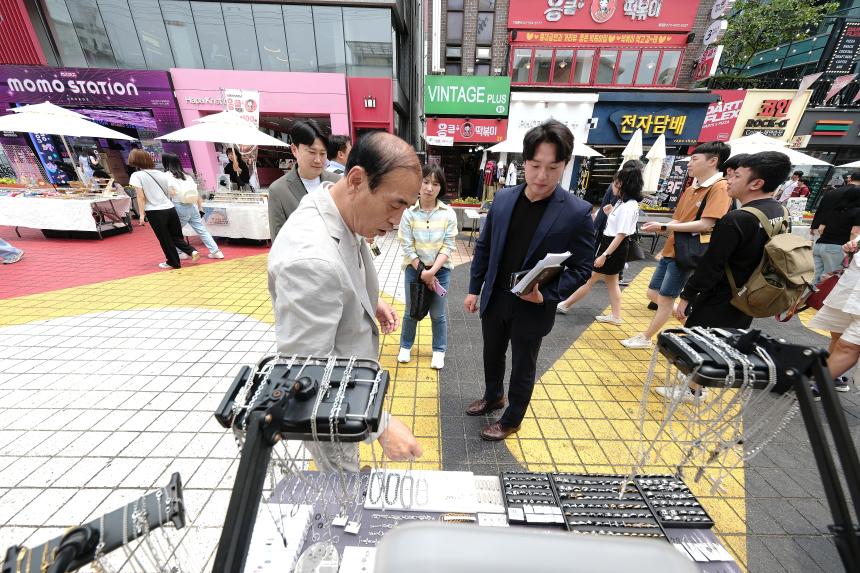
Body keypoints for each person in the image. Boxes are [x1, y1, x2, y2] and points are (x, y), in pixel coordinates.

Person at [268, 131, 423, 471]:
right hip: (329, 411)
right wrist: (381, 424)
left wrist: (365, 301)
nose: (397, 221)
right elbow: (307, 374)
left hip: (349, 385)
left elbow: (342, 275)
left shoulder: (336, 204)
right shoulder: (312, 261)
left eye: (406, 207)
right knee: (342, 484)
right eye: (395, 204)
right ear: (356, 180)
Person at [463, 120, 595, 442]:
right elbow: (485, 247)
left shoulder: (577, 212)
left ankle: (512, 419)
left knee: (524, 365)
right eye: (535, 166)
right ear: (525, 162)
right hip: (496, 296)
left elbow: (582, 268)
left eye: (553, 167)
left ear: (565, 165)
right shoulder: (503, 199)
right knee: (492, 353)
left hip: (533, 305)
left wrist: (548, 295)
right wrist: (474, 289)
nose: (542, 176)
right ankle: (493, 396)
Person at [621, 141, 732, 350]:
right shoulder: (692, 188)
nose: (689, 163)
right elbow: (677, 220)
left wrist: (664, 226)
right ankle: (690, 322)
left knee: (664, 299)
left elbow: (706, 224)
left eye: (695, 159)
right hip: (673, 250)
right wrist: (661, 230)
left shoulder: (720, 187)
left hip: (687, 253)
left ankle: (646, 337)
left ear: (713, 161)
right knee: (653, 293)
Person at [675, 151, 792, 330]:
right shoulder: (781, 212)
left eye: (736, 176)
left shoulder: (737, 219)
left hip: (720, 300)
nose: (729, 180)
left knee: (702, 345)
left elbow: (711, 265)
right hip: (752, 296)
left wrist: (687, 296)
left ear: (756, 183)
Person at [556, 161, 644, 323]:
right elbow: (619, 228)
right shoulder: (624, 203)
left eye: (615, 182)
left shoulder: (627, 206)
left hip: (613, 247)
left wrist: (604, 255)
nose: (612, 186)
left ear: (622, 185)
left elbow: (620, 235)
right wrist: (610, 214)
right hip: (612, 245)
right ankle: (615, 316)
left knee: (590, 278)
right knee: (611, 282)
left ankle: (565, 304)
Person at [397, 165, 458, 370]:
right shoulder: (409, 213)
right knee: (411, 310)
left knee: (438, 314)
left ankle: (439, 350)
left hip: (441, 270)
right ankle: (405, 346)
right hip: (414, 269)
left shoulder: (448, 213)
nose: (429, 188)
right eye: (425, 182)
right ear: (418, 183)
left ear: (441, 188)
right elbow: (407, 244)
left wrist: (432, 272)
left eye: (435, 184)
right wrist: (422, 271)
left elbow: (448, 245)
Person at [267, 119, 339, 240]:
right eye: (312, 152)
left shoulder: (337, 182)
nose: (318, 160)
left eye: (322, 153)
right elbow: (279, 240)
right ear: (294, 150)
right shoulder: (279, 190)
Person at [128, 149, 198, 269]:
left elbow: (140, 196)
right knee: (176, 236)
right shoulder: (161, 173)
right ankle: (191, 251)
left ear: (135, 161)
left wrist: (141, 215)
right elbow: (169, 192)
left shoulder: (136, 175)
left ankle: (173, 262)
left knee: (164, 238)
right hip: (170, 208)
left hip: (155, 211)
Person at [808, 236, 860, 395]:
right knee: (837, 336)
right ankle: (834, 377)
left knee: (848, 346)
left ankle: (816, 387)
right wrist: (850, 248)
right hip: (848, 288)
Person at [162, 152, 225, 260]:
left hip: (178, 206)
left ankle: (181, 253)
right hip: (192, 205)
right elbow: (196, 193)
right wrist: (200, 207)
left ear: (166, 163)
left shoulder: (166, 176)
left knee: (174, 232)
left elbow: (171, 193)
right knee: (201, 229)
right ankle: (216, 252)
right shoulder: (187, 176)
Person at [811, 172, 860, 283]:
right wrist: (851, 251)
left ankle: (805, 294)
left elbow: (821, 229)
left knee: (812, 279)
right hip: (838, 248)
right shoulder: (858, 212)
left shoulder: (834, 210)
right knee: (828, 281)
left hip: (820, 245)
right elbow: (854, 233)